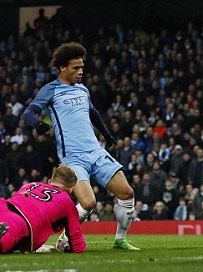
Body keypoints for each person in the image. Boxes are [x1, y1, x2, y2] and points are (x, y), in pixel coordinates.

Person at [22, 42, 139, 250]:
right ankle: (65, 238)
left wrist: (107, 135)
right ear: (62, 68)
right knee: (88, 203)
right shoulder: (51, 90)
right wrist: (38, 125)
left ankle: (120, 240)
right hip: (72, 157)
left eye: (82, 67)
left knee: (127, 193)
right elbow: (28, 113)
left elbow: (93, 113)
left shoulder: (83, 90)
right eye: (76, 68)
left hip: (95, 151)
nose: (80, 72)